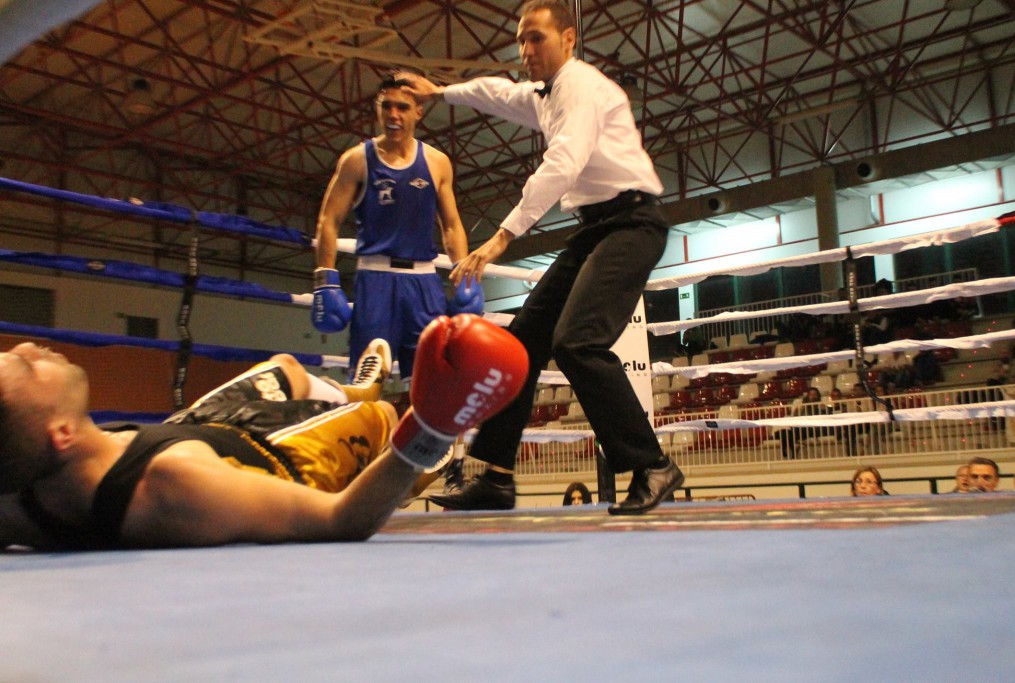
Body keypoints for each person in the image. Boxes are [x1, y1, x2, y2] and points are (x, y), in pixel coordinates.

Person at [398, 0, 683, 516]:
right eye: (522, 39)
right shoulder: (545, 93)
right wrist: (440, 91)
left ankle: (652, 465)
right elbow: (497, 93)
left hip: (634, 224)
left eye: (537, 38)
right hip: (597, 228)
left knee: (577, 343)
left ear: (569, 39)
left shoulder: (583, 87)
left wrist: (502, 237)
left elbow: (564, 163)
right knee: (521, 346)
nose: (526, 49)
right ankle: (497, 479)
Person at [0, 315, 528, 550]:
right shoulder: (175, 484)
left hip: (189, 429)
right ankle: (372, 409)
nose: (27, 348)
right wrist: (432, 425)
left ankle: (351, 391)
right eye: (24, 370)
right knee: (387, 421)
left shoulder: (24, 497)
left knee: (286, 367)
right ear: (61, 433)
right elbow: (341, 520)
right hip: (279, 457)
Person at [311, 77, 481, 380]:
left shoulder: (437, 162)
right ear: (377, 110)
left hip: (424, 283)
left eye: (402, 107)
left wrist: (463, 278)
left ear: (418, 112)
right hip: (375, 280)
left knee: (433, 380)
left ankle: (431, 430)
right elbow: (328, 220)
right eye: (386, 106)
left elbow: (452, 225)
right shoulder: (356, 160)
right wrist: (325, 280)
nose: (393, 115)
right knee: (367, 381)